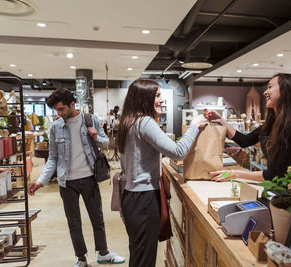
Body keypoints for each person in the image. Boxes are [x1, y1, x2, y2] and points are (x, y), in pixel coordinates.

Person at [28, 88, 125, 267]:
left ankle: (103, 253)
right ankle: (81, 258)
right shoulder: (56, 127)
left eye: (61, 109)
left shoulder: (89, 120)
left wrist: (96, 136)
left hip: (89, 178)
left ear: (72, 104)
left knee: (97, 219)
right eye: (56, 110)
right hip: (67, 183)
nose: (59, 113)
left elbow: (107, 143)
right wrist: (41, 181)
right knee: (74, 223)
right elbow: (53, 158)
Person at [117, 79, 207, 267]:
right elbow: (177, 152)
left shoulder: (128, 122)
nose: (161, 100)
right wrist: (194, 126)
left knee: (139, 253)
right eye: (157, 95)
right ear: (144, 98)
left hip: (131, 197)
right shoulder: (145, 122)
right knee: (145, 258)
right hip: (144, 199)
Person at [206, 73, 291, 182]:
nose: (265, 92)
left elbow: (274, 173)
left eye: (270, 87)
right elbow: (245, 141)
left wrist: (236, 174)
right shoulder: (272, 123)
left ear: (285, 90)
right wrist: (221, 120)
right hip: (279, 187)